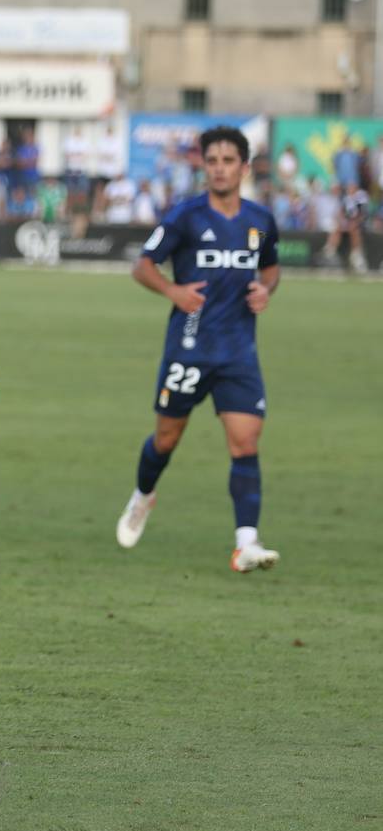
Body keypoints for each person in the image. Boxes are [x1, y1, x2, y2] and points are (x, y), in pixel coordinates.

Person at [118, 126, 281, 572]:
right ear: (203, 166)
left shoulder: (260, 220)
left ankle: (246, 542)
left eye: (229, 161)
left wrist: (266, 290)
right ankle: (143, 495)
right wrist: (173, 292)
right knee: (166, 439)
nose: (220, 169)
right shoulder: (185, 217)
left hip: (238, 353)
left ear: (244, 168)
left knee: (245, 443)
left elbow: (271, 268)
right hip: (188, 349)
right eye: (212, 161)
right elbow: (142, 266)